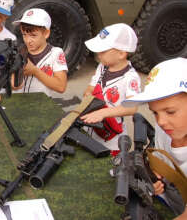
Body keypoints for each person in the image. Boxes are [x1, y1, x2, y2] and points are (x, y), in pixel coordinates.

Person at [123, 57, 187, 219]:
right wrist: (152, 178)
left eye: (170, 112)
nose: (161, 122)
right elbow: (158, 166)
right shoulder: (165, 129)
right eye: (155, 112)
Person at [80, 23, 141, 152]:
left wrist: (103, 113)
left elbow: (132, 107)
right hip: (92, 126)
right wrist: (88, 94)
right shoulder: (102, 67)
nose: (98, 54)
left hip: (112, 137)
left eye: (102, 51)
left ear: (121, 53)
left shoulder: (130, 78)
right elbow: (91, 87)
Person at [12, 8, 68, 97]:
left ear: (46, 33)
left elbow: (61, 87)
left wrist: (35, 71)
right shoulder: (18, 52)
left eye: (33, 35)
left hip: (42, 106)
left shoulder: (56, 53)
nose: (28, 41)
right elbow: (14, 86)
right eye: (24, 35)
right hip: (19, 104)